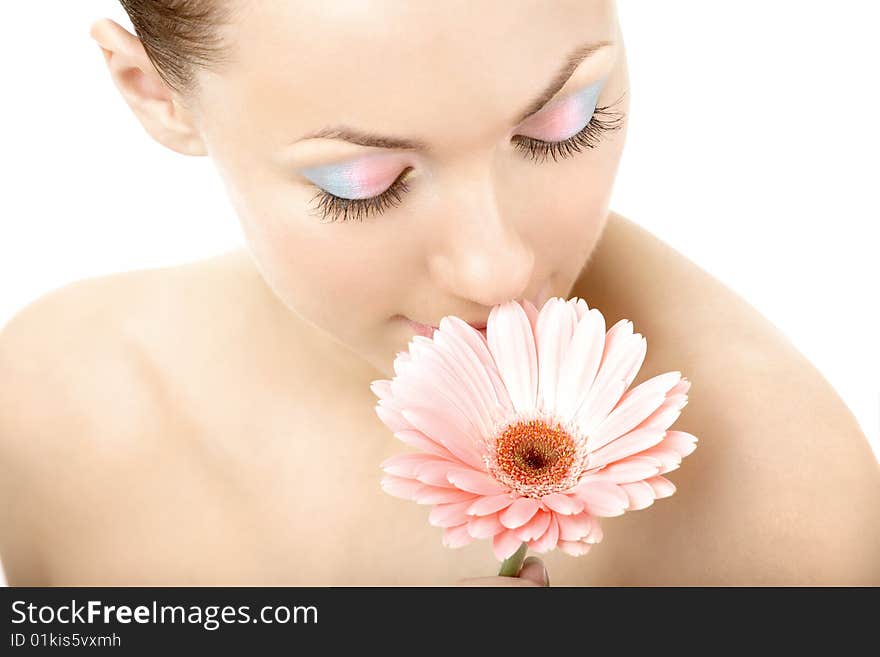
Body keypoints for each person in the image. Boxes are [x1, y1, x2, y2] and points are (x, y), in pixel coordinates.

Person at [0, 0, 877, 587]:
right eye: (363, 182)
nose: (498, 270)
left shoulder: (782, 514)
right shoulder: (45, 405)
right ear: (151, 91)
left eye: (562, 123)